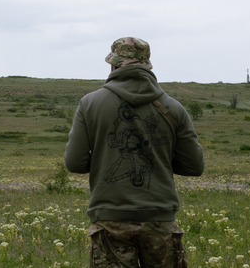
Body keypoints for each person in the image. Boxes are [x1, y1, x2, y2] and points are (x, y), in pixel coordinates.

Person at [65, 37, 204, 267]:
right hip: (159, 219)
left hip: (110, 219)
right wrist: (160, 157)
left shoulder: (89, 104)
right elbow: (194, 166)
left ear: (113, 64)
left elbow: (74, 162)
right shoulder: (174, 108)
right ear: (148, 65)